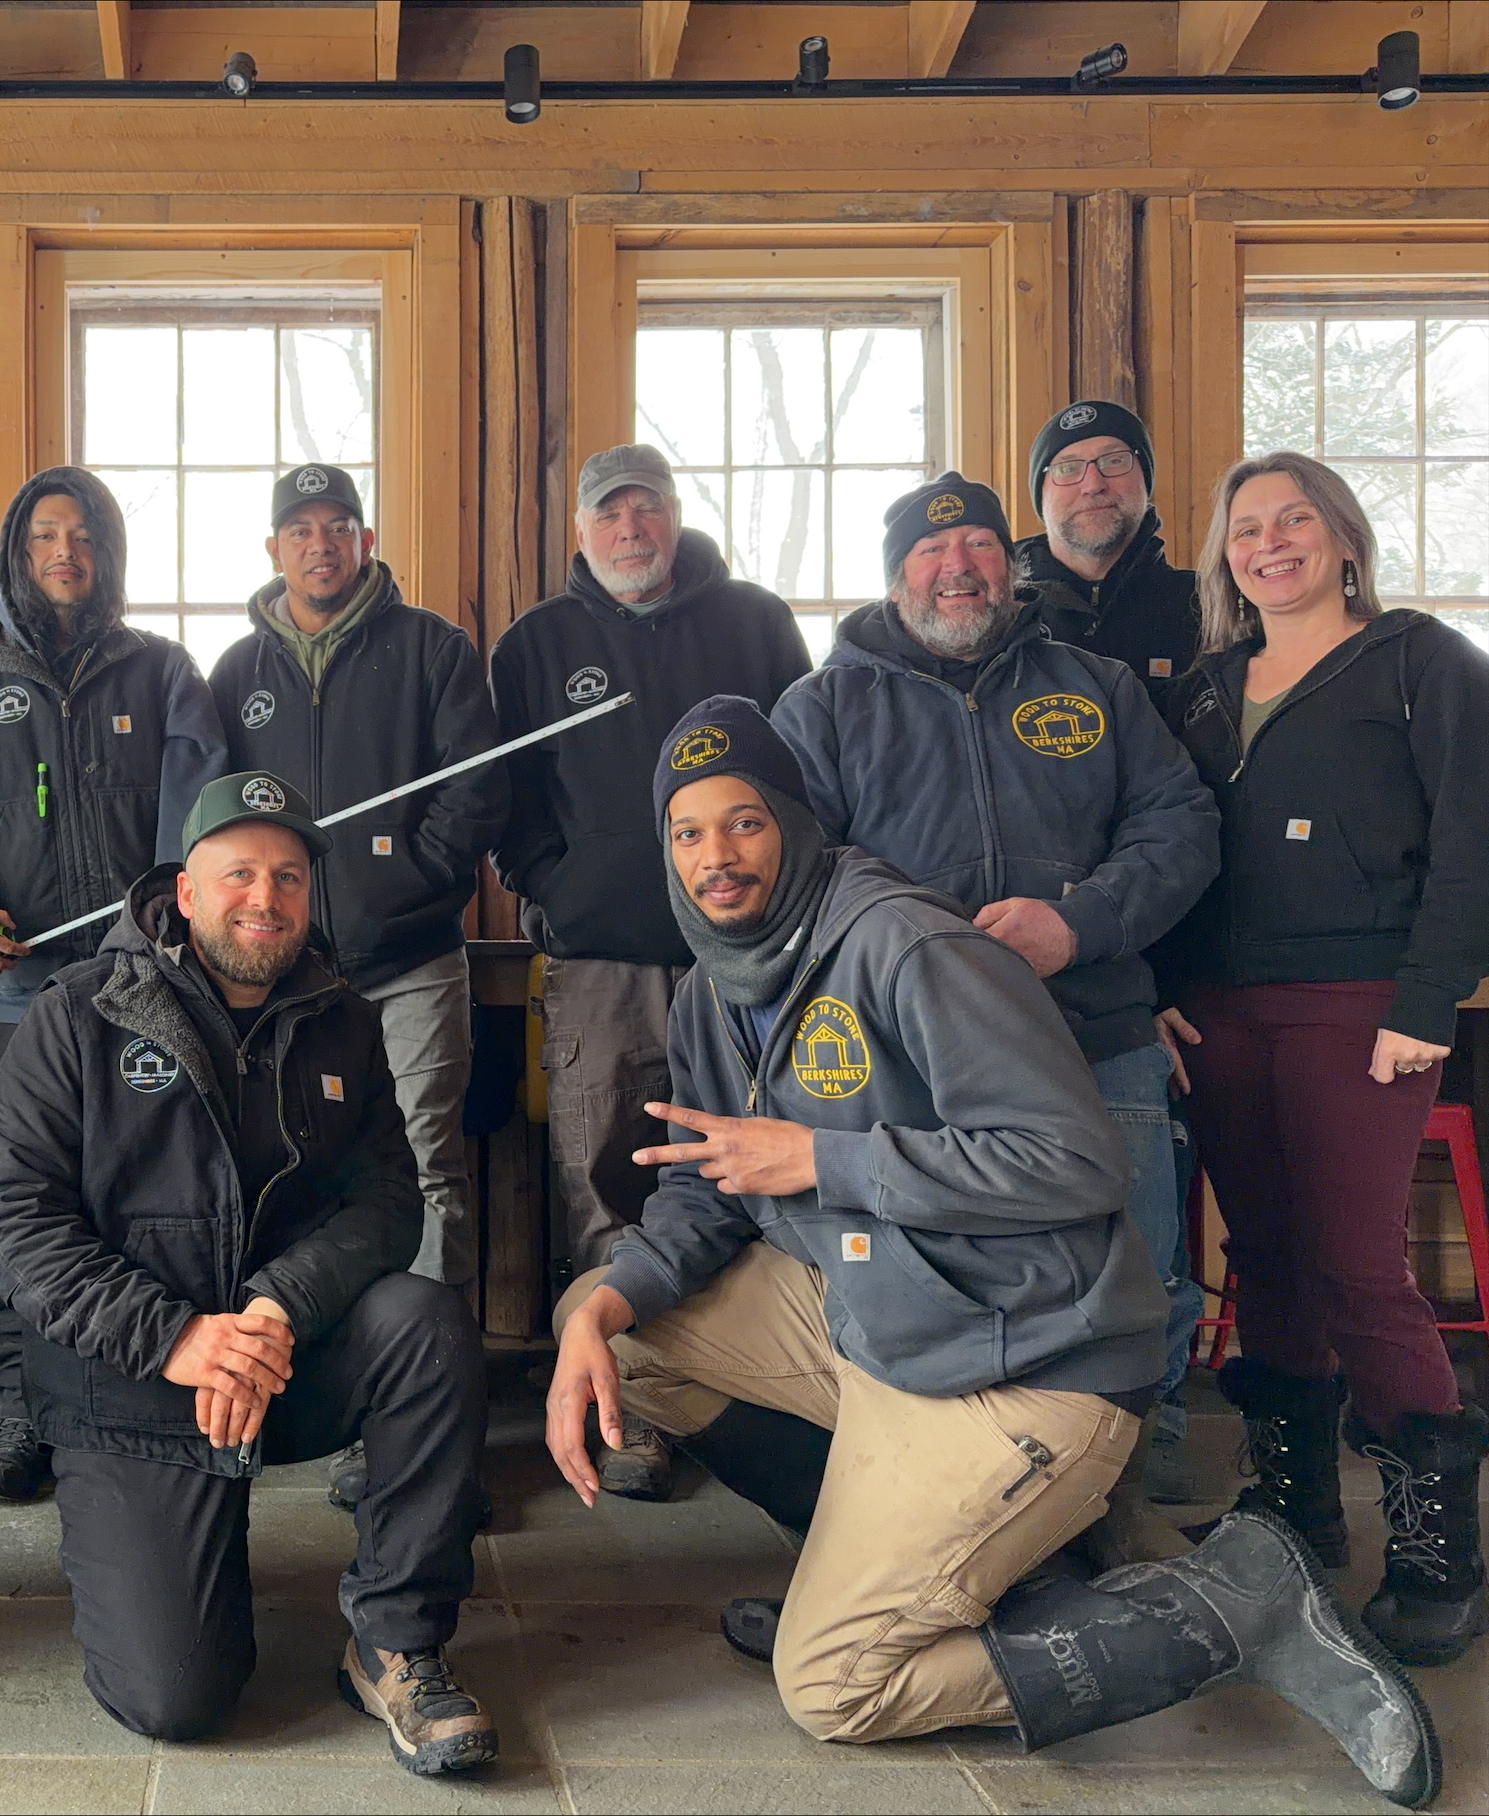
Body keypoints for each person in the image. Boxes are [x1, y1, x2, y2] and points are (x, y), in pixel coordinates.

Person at [543, 696, 1441, 1811]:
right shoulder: (710, 985)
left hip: (1027, 1361)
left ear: (794, 823)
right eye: (688, 833)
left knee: (833, 1684)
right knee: (611, 1323)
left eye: (744, 823)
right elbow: (707, 1185)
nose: (715, 857)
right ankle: (950, 1565)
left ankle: (1220, 1612)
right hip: (885, 1317)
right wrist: (603, 1306)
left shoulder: (908, 945)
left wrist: (824, 1158)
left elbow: (1073, 1162)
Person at [0, 773, 495, 1774]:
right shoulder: (77, 1011)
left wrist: (276, 1304)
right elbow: (9, 1218)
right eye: (239, 873)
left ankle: (396, 1639)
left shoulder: (343, 1018)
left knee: (423, 1322)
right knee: (176, 1697)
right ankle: (145, 1533)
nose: (266, 897)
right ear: (184, 892)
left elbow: (388, 1201)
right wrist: (173, 1336)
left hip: (278, 1350)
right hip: (128, 1375)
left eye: (289, 876)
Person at [771, 472, 1219, 1567]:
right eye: (930, 552)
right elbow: (796, 875)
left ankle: (1120, 1530)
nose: (956, 567)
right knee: (937, 1289)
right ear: (895, 577)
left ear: (1007, 566)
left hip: (1097, 1030)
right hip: (916, 1061)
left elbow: (1180, 825)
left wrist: (1078, 924)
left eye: (976, 544)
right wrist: (930, 954)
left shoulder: (1099, 686)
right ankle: (956, 1538)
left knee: (1134, 1284)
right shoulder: (820, 708)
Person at [1158, 450, 1489, 1669]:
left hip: (1362, 1002)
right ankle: (1294, 1515)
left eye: (1292, 518)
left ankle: (1438, 1557)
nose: (1269, 542)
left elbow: (1471, 835)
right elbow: (1163, 844)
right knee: (1266, 1260)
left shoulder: (1420, 662)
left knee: (1357, 1268)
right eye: (1244, 527)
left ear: (1341, 537)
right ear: (1224, 558)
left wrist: (1426, 997)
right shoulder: (1202, 691)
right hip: (1220, 1006)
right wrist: (1155, 989)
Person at [0, 465, 226, 1504]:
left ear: (107, 553)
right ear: (15, 554)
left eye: (82, 536)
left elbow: (196, 832)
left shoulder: (164, 674)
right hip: (22, 995)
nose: (64, 554)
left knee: (155, 1194)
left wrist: (159, 929)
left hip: (150, 991)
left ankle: (146, 1387)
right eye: (43, 537)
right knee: (23, 1204)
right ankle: (25, 1407)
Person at [487, 441, 808, 1493]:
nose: (630, 529)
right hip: (598, 959)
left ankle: (761, 1390)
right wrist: (556, 889)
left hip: (745, 959)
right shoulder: (536, 645)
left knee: (756, 1164)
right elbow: (507, 799)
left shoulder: (755, 623)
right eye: (609, 512)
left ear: (674, 514)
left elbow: (804, 776)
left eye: (647, 507)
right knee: (602, 1173)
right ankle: (627, 1405)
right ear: (581, 529)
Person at [209, 465, 505, 1508]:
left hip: (411, 961)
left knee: (426, 1173)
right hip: (288, 983)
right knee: (312, 1181)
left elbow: (477, 789)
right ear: (274, 549)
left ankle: (430, 1420)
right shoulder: (235, 670)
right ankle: (341, 1398)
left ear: (366, 539)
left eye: (337, 525)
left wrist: (397, 881)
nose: (320, 544)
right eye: (299, 529)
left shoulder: (432, 648)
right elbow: (217, 817)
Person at [1013, 400, 1201, 708]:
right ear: (1041, 493)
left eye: (1114, 461)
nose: (1093, 484)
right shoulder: (1001, 610)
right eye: (1068, 468)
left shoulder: (1206, 606)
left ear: (1145, 479)